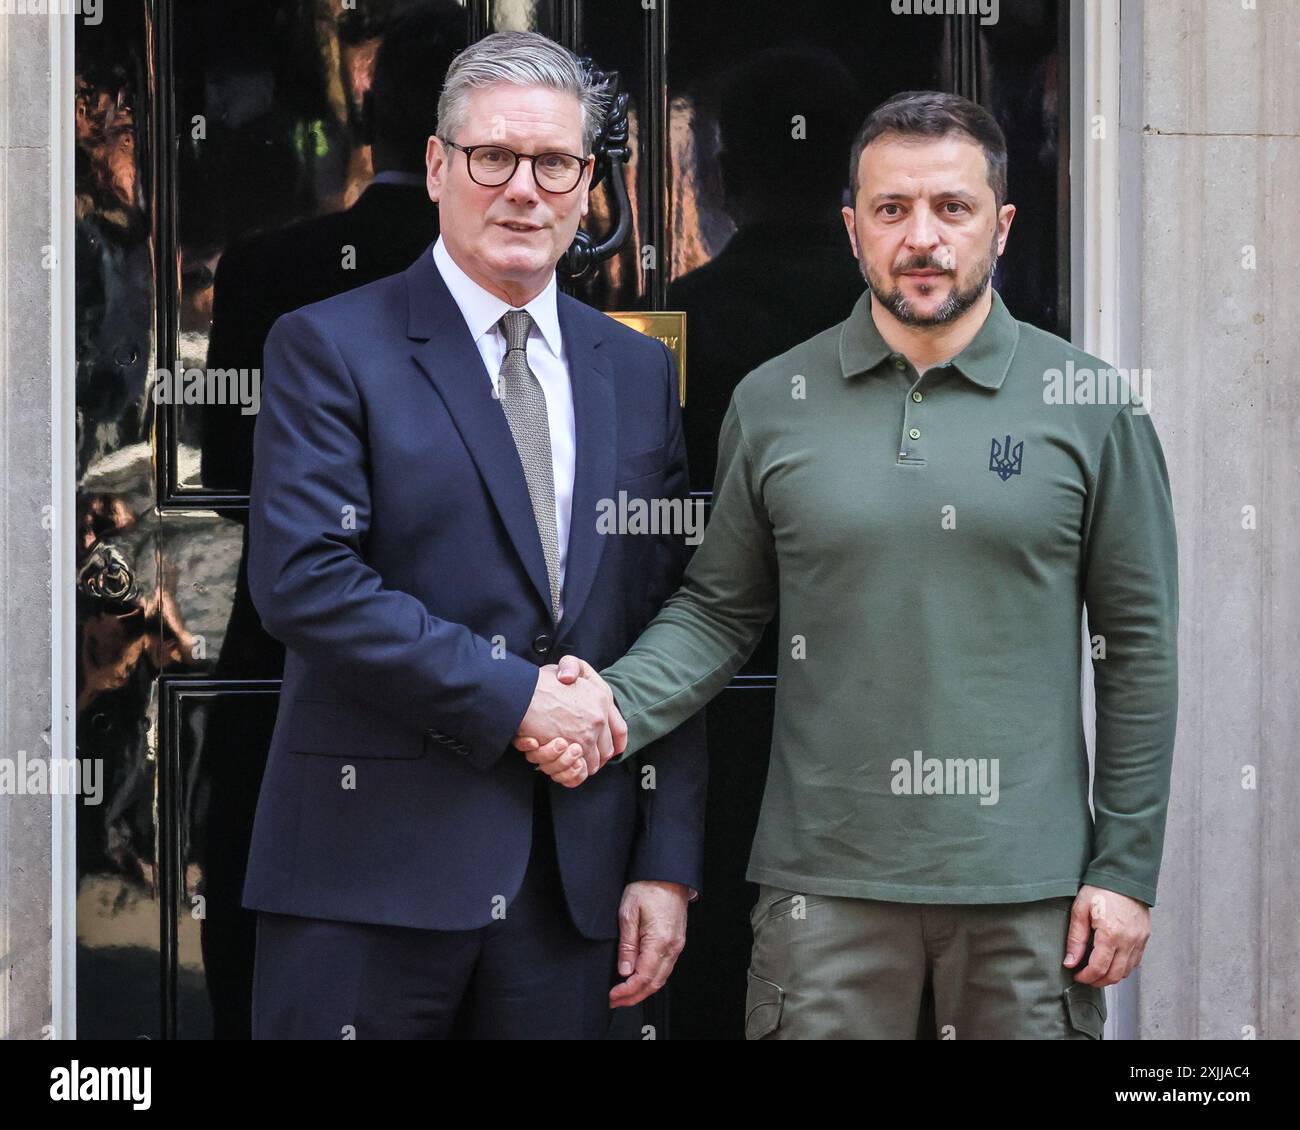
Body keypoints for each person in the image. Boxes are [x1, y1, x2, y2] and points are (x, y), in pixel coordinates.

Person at [520, 90, 1178, 1040]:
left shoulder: (1090, 407)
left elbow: (1140, 652)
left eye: (953, 208)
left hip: (1028, 890)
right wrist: (605, 709)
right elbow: (716, 613)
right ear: (851, 228)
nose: (923, 238)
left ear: (1001, 225)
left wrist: (1124, 869)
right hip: (820, 891)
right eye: (892, 209)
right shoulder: (774, 401)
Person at [242, 30, 704, 1040]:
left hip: (571, 890)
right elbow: (306, 580)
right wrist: (518, 698)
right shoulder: (328, 345)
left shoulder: (631, 373)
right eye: (494, 156)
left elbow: (669, 616)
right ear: (441, 165)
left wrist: (664, 858)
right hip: (366, 878)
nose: (524, 189)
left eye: (554, 164)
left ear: (587, 185)